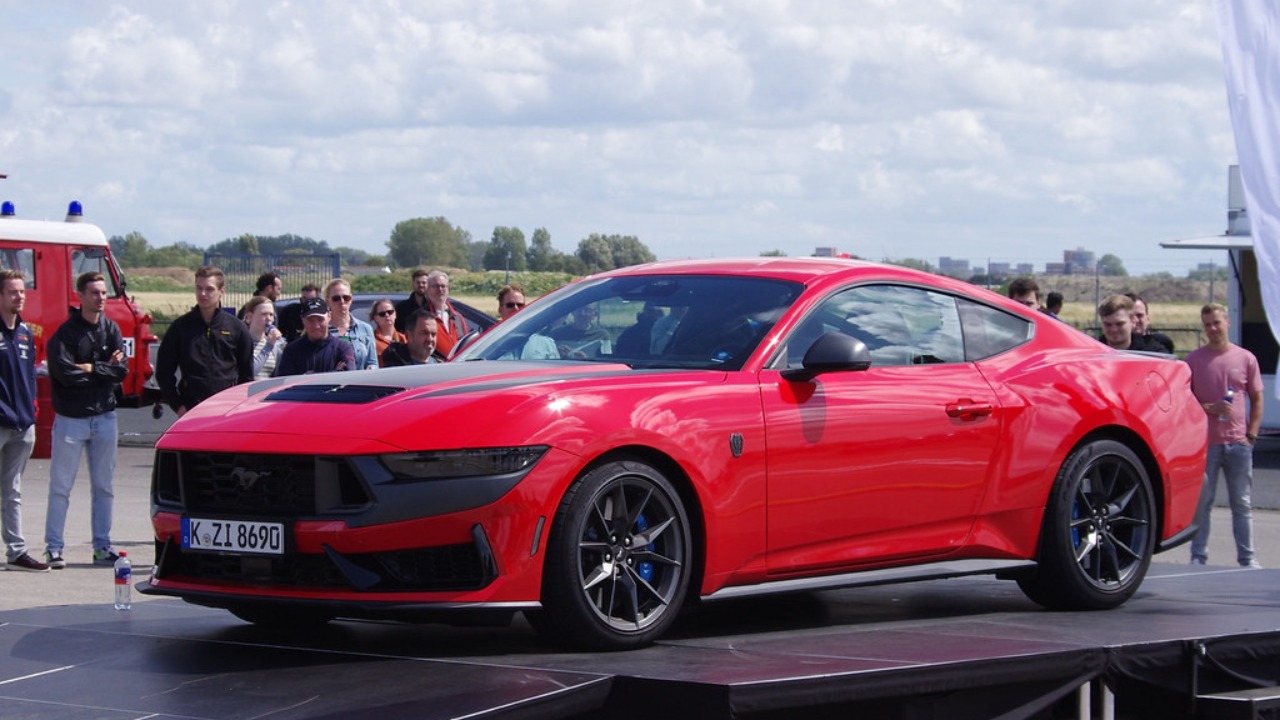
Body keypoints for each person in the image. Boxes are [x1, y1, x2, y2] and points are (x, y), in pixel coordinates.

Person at [44, 272, 128, 569]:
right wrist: (105, 369)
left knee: (104, 486)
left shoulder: (112, 329)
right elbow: (65, 375)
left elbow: (122, 372)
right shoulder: (65, 335)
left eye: (104, 292)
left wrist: (93, 367)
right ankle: (54, 549)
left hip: (105, 416)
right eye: (94, 292)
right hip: (71, 419)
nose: (101, 298)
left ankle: (102, 547)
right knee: (61, 486)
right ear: (80, 296)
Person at [1189, 303, 1264, 568]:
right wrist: (1211, 408)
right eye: (1207, 324)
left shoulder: (1245, 358)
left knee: (1241, 504)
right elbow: (1187, 402)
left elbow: (1257, 398)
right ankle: (1198, 556)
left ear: (1227, 323)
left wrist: (1251, 435)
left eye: (1216, 323)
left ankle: (1247, 558)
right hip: (1207, 444)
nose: (1212, 329)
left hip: (1238, 444)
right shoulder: (1194, 360)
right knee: (1204, 504)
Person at [156, 266, 254, 417]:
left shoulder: (237, 329)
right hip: (192, 410)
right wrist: (178, 406)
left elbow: (246, 376)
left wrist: (239, 408)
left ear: (222, 291)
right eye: (199, 288)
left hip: (227, 411)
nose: (203, 294)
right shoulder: (180, 328)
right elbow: (163, 372)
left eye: (209, 289)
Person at [0, 270, 48, 571]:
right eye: (13, 292)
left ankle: (16, 551)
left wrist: (31, 409)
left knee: (12, 490)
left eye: (22, 292)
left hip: (22, 424)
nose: (19, 296)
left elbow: (30, 374)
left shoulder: (26, 332)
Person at [274, 297, 357, 376]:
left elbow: (346, 378)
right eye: (310, 320)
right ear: (302, 320)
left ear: (329, 317)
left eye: (320, 320)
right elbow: (287, 383)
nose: (316, 325)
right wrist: (335, 373)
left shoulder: (343, 348)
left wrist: (306, 376)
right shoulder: (291, 351)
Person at [396, 269, 469, 356]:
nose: (440, 289)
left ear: (448, 290)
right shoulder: (420, 317)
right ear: (427, 290)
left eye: (443, 286)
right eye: (435, 286)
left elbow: (466, 344)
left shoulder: (457, 317)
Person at [325, 278, 377, 370]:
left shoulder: (365, 328)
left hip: (359, 382)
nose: (342, 302)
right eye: (336, 298)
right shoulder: (322, 330)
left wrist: (371, 368)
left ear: (351, 299)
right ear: (328, 302)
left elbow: (372, 361)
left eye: (346, 298)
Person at [1097, 294, 1162, 352]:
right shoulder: (1092, 351)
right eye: (1108, 324)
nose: (1114, 329)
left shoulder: (1153, 352)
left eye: (1120, 324)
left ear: (1133, 322)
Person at [243, 296, 284, 379]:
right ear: (249, 317)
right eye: (264, 314)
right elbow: (250, 371)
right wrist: (268, 346)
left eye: (271, 315)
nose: (268, 318)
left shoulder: (275, 346)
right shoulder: (242, 342)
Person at [369, 298, 405, 365]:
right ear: (376, 318)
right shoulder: (371, 340)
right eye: (382, 314)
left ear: (395, 314)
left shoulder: (404, 338)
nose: (387, 315)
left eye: (390, 312)